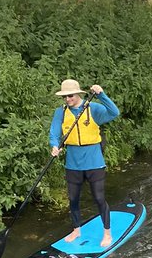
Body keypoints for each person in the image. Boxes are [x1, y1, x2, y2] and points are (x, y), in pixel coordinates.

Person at [49, 78, 120, 249]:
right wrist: (54, 146)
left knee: (99, 198)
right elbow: (54, 132)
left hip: (94, 162)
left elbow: (114, 112)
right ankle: (76, 229)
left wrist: (102, 95)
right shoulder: (61, 112)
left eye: (70, 96)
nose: (67, 99)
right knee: (73, 199)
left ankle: (107, 232)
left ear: (78, 94)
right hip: (73, 164)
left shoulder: (93, 108)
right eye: (64, 97)